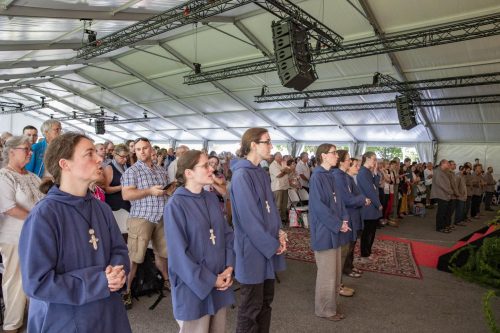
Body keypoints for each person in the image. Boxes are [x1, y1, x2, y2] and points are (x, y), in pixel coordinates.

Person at [18, 132, 131, 332]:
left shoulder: (101, 208)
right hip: (66, 319)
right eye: (89, 154)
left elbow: (119, 251)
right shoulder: (44, 215)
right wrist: (100, 281)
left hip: (108, 313)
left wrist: (117, 272)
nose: (99, 158)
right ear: (65, 164)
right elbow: (37, 282)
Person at [164, 150, 235, 333]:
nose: (211, 169)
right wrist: (211, 280)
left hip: (220, 278)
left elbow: (227, 234)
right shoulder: (175, 205)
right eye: (205, 166)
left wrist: (229, 266)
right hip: (194, 287)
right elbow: (179, 256)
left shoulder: (211, 197)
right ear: (189, 173)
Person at [230, 128, 287, 333]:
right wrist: (273, 245)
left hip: (267, 247)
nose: (271, 145)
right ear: (253, 144)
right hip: (253, 250)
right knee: (250, 308)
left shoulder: (260, 172)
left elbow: (270, 208)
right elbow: (249, 221)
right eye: (267, 141)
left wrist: (279, 232)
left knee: (265, 303)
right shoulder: (242, 175)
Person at [0, 136, 45, 333]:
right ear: (11, 152)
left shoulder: (33, 176)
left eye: (30, 149)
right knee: (15, 282)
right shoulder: (4, 176)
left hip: (37, 237)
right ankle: (12, 325)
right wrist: (38, 220)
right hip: (14, 237)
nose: (30, 152)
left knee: (37, 278)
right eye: (25, 149)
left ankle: (36, 322)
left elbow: (46, 199)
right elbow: (9, 208)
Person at [121, 137, 170, 309]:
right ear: (135, 151)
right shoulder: (131, 172)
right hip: (141, 218)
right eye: (139, 149)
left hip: (161, 216)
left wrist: (168, 191)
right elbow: (126, 195)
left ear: (152, 150)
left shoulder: (161, 170)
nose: (142, 151)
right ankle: (125, 291)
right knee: (134, 257)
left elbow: (164, 191)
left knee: (162, 254)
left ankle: (166, 280)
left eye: (145, 148)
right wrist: (150, 191)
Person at [309, 144, 350, 321]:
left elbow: (339, 201)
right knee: (327, 274)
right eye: (333, 153)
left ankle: (332, 305)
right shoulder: (317, 177)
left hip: (335, 228)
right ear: (324, 156)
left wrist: (345, 219)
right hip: (325, 230)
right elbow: (319, 207)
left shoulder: (330, 175)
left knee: (335, 271)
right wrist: (337, 224)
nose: (336, 156)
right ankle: (324, 309)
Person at [332, 150, 370, 280]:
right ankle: (344, 270)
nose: (350, 161)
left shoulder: (344, 177)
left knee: (351, 245)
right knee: (346, 247)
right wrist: (362, 200)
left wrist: (361, 199)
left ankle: (349, 266)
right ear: (341, 162)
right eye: (348, 159)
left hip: (352, 215)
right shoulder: (338, 176)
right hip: (347, 216)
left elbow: (355, 194)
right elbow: (346, 199)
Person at [357, 152, 383, 260]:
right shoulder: (363, 172)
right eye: (373, 159)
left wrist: (376, 172)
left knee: (372, 231)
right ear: (366, 159)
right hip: (369, 206)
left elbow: (375, 185)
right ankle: (365, 253)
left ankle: (368, 251)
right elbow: (370, 191)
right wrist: (378, 204)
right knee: (367, 232)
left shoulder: (368, 172)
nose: (375, 161)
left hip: (373, 205)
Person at [103, 144, 131, 235]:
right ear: (115, 154)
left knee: (126, 231)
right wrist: (122, 187)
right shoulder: (109, 168)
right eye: (122, 157)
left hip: (127, 203)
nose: (125, 159)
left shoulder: (127, 166)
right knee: (119, 232)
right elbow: (106, 189)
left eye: (127, 157)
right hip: (115, 206)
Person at [430, 160, 454, 232]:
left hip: (444, 194)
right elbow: (441, 184)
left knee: (444, 211)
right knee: (441, 212)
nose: (448, 164)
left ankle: (443, 226)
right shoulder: (438, 171)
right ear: (442, 164)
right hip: (441, 194)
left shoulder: (443, 171)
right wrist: (450, 191)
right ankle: (440, 227)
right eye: (447, 163)